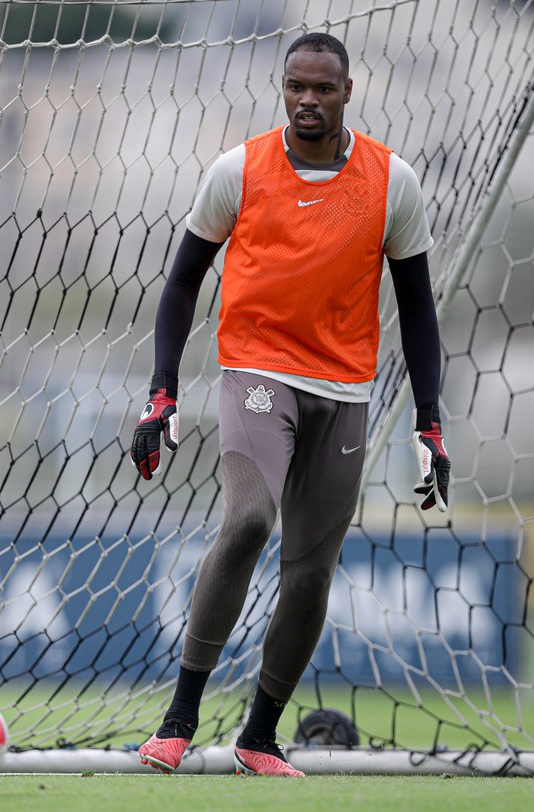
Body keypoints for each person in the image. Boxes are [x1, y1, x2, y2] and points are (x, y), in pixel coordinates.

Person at [129, 33, 451, 778]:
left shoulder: (392, 181)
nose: (307, 99)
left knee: (310, 571)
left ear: (346, 93)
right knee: (246, 522)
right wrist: (163, 389)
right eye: (295, 86)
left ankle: (260, 737)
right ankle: (178, 720)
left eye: (322, 88)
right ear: (283, 88)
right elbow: (180, 284)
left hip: (345, 391)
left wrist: (429, 422)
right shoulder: (236, 170)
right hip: (258, 373)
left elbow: (421, 311)